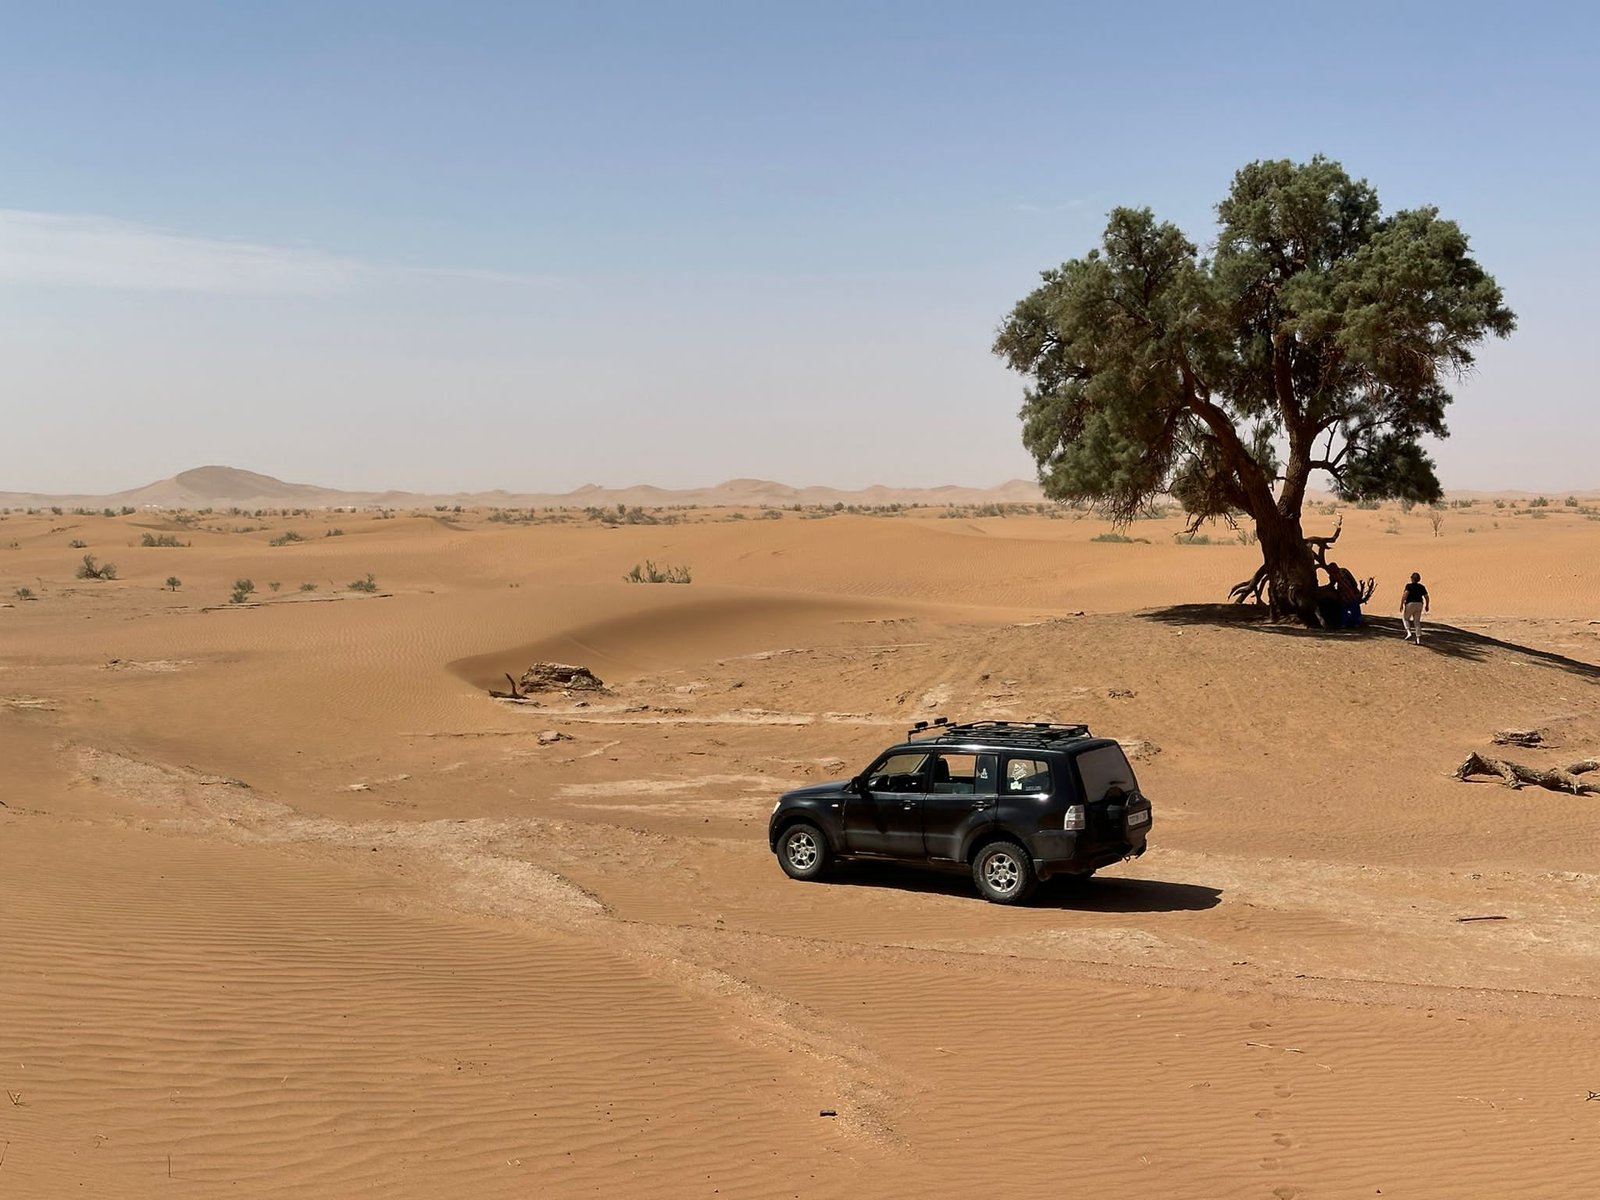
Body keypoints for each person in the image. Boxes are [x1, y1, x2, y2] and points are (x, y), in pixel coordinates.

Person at [1328, 560, 1362, 628]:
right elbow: (1332, 584)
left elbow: (1352, 580)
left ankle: (1357, 623)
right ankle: (1344, 624)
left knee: (1354, 607)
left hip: (1351, 592)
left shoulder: (1344, 571)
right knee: (1344, 609)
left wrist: (1355, 589)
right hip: (1343, 594)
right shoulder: (1332, 575)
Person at [1400, 572, 1429, 643]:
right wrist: (1427, 605)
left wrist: (1401, 603)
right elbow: (1426, 597)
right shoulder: (1422, 587)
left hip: (1410, 603)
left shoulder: (1409, 586)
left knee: (1405, 618)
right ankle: (1418, 639)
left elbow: (1405, 594)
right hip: (1419, 604)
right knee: (1417, 621)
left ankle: (1409, 632)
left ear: (1412, 579)